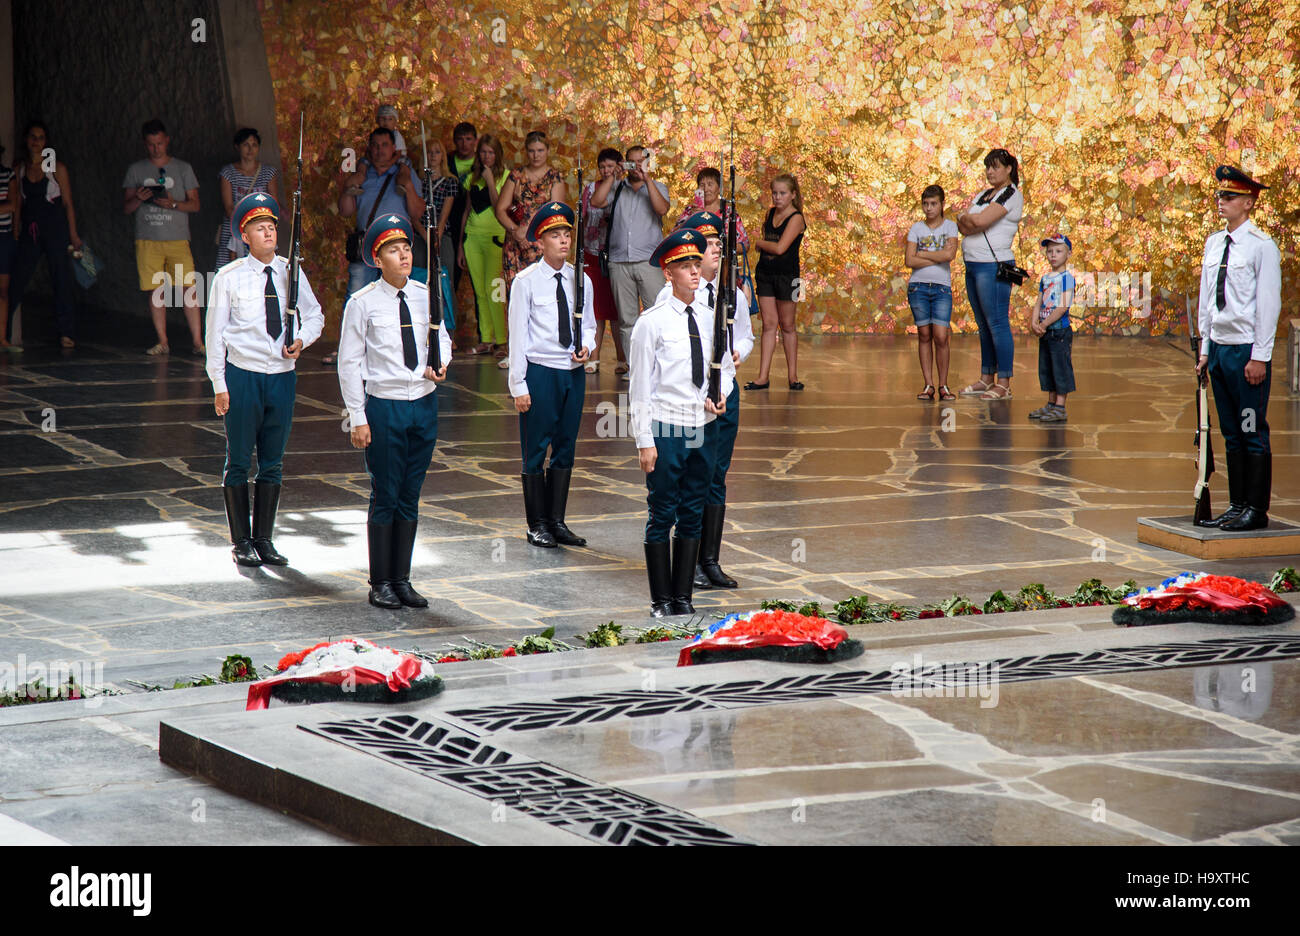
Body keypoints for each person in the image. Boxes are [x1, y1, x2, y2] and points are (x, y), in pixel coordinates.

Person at [338, 213, 452, 608]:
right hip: (384, 406)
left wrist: (442, 364)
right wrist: (358, 416)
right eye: (394, 250)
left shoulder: (425, 293)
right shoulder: (362, 303)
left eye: (406, 248)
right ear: (377, 258)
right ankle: (380, 581)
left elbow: (444, 339)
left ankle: (402, 579)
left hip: (423, 403)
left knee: (410, 493)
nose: (403, 255)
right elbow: (349, 362)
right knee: (385, 493)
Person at [206, 192, 324, 567]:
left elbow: (316, 315)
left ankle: (265, 539)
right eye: (260, 227)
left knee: (272, 462)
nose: (269, 231)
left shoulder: (292, 271)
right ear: (245, 237)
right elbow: (215, 334)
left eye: (272, 225)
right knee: (239, 459)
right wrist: (219, 385)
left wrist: (302, 339)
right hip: (244, 376)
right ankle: (241, 540)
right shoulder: (229, 278)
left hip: (282, 377)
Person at [629, 227, 727, 617]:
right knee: (662, 513)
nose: (693, 271)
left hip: (703, 427)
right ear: (667, 273)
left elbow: (725, 367)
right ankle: (660, 599)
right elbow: (639, 387)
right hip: (667, 427)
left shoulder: (708, 316)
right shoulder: (650, 323)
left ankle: (683, 597)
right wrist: (643, 440)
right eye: (684, 266)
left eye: (695, 264)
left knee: (693, 510)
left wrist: (721, 393)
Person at [654, 211, 754, 589]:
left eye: (717, 245)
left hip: (724, 396)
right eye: (708, 245)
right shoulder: (674, 297)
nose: (714, 251)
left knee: (717, 476)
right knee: (689, 479)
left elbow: (745, 336)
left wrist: (738, 352)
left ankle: (709, 559)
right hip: (688, 403)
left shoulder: (733, 294)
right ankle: (687, 560)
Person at [1195, 165, 1281, 532]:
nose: (1221, 202)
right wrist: (1204, 347)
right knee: (1231, 431)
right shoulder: (1215, 243)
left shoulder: (1261, 246)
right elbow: (1206, 301)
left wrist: (1260, 355)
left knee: (1251, 429)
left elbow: (1267, 304)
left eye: (1229, 197)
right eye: (1219, 196)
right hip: (1219, 349)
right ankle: (1237, 504)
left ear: (1248, 202)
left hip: (1246, 352)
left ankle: (1256, 509)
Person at [507, 202, 596, 548]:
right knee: (535, 449)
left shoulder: (581, 279)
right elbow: (518, 336)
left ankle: (557, 520)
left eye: (566, 234)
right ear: (539, 242)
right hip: (540, 372)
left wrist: (586, 347)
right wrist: (518, 384)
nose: (563, 240)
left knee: (565, 447)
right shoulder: (526, 282)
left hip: (571, 373)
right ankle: (536, 523)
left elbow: (588, 325)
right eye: (554, 235)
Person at [123, 119, 203, 356]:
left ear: (167, 140)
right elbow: (126, 208)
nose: (156, 148)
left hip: (178, 238)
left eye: (159, 143)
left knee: (188, 288)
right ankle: (163, 341)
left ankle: (198, 342)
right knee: (156, 290)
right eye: (151, 145)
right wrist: (139, 197)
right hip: (148, 238)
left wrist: (174, 203)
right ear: (144, 144)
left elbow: (196, 204)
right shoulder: (136, 170)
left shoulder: (183, 168)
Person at [590, 145, 670, 377]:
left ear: (647, 163)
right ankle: (635, 369)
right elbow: (596, 202)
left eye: (640, 161)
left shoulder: (658, 187)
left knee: (656, 315)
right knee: (626, 320)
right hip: (619, 261)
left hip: (649, 261)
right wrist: (613, 175)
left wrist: (647, 180)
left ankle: (659, 368)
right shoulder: (616, 188)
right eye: (630, 162)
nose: (635, 166)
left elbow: (662, 209)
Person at [495, 131, 566, 369]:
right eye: (532, 150)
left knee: (542, 296)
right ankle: (513, 349)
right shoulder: (516, 175)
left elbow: (556, 213)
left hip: (541, 244)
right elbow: (501, 209)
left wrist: (533, 233)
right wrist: (516, 230)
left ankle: (540, 347)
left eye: (541, 150)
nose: (536, 155)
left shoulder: (555, 177)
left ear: (548, 151)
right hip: (516, 245)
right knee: (515, 295)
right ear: (526, 151)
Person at [956, 148, 1023, 400]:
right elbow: (963, 226)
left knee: (997, 323)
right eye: (988, 167)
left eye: (996, 166)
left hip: (993, 266)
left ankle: (1003, 383)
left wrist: (968, 217)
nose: (990, 171)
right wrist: (968, 219)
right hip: (973, 264)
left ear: (1009, 169)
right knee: (983, 326)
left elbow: (979, 222)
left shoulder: (1011, 194)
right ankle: (986, 378)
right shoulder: (984, 194)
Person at [8, 121, 81, 349]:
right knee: (17, 279)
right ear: (26, 140)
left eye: (40, 137)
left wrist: (73, 235)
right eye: (32, 137)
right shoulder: (19, 168)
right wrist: (15, 229)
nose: (36, 141)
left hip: (54, 229)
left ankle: (66, 332)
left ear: (46, 141)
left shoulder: (56, 168)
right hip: (30, 229)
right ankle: (4, 331)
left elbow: (68, 203)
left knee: (60, 278)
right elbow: (18, 202)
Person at [338, 127, 425, 299]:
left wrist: (407, 184)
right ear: (370, 148)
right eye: (376, 145)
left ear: (393, 147)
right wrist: (349, 188)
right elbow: (345, 211)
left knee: (397, 301)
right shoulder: (363, 174)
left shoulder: (404, 172)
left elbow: (417, 213)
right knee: (357, 299)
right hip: (366, 247)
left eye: (384, 145)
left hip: (395, 245)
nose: (380, 150)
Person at [747, 174, 806, 390]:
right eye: (774, 193)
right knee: (769, 324)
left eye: (782, 193)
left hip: (790, 278)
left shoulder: (797, 218)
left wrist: (760, 243)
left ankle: (793, 376)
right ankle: (763, 376)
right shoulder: (770, 213)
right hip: (765, 273)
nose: (777, 197)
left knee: (788, 326)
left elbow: (781, 248)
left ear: (792, 195)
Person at [905, 184, 959, 400]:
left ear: (942, 204)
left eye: (933, 203)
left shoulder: (950, 227)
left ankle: (943, 385)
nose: (929, 208)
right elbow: (909, 260)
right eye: (925, 204)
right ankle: (929, 385)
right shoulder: (916, 229)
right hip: (918, 287)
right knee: (924, 335)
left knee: (941, 336)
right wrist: (937, 254)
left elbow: (949, 255)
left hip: (941, 288)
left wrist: (923, 254)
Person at [458, 133, 508, 355]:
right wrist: (461, 243)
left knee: (495, 289)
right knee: (480, 291)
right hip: (473, 237)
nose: (487, 156)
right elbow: (467, 209)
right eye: (483, 152)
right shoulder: (472, 177)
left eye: (491, 152)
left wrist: (490, 181)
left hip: (495, 238)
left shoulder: (506, 176)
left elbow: (500, 208)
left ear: (497, 155)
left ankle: (502, 340)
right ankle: (486, 338)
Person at [679, 167, 751, 303]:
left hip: (722, 273)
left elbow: (744, 245)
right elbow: (677, 237)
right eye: (702, 185)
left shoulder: (728, 213)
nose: (706, 189)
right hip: (695, 271)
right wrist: (692, 219)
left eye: (710, 184)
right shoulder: (690, 210)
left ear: (719, 188)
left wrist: (720, 249)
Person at [580, 148, 623, 373]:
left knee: (616, 310)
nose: (606, 171)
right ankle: (594, 358)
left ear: (619, 166)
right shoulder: (590, 189)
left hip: (615, 254)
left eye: (610, 166)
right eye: (602, 167)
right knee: (594, 308)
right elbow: (588, 212)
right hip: (592, 252)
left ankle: (621, 359)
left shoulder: (624, 189)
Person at [217, 127, 281, 269]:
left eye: (254, 145)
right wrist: (244, 223)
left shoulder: (268, 173)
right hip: (234, 229)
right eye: (246, 145)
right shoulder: (228, 173)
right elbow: (228, 207)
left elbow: (273, 204)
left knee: (264, 269)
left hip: (260, 228)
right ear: (237, 147)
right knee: (231, 271)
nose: (250, 149)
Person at [1028, 234, 1076, 423]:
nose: (1053, 255)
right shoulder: (1046, 278)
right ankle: (1051, 403)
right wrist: (1034, 321)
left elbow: (1063, 306)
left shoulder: (1067, 278)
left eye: (1058, 251)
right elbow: (1039, 301)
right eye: (1050, 251)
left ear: (1068, 254)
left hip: (1059, 331)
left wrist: (1044, 324)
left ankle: (1060, 406)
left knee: (1060, 367)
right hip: (1046, 331)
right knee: (1047, 367)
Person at [447, 122, 478, 299]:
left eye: (468, 139)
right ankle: (447, 325)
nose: (464, 144)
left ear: (475, 140)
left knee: (480, 286)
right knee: (451, 279)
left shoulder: (483, 162)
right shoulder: (447, 160)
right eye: (460, 139)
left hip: (476, 225)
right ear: (454, 141)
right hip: (451, 225)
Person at [0, 146, 16, 351]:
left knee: (3, 291)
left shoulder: (7, 174)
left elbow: (12, 205)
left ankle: (2, 338)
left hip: (3, 235)